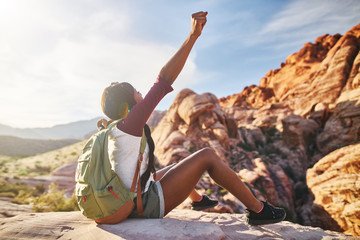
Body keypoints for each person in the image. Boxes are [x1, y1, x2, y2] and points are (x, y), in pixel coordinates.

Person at [100, 11, 286, 225]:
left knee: (174, 166)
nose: (142, 95)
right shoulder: (132, 120)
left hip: (127, 199)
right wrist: (192, 36)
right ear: (129, 104)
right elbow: (164, 80)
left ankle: (198, 200)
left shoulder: (113, 129)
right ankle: (258, 210)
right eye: (137, 93)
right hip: (142, 206)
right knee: (207, 155)